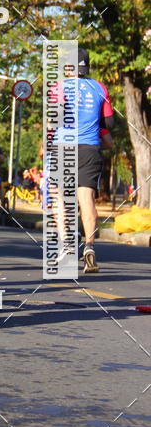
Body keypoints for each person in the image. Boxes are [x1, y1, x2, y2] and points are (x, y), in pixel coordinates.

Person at [73, 48, 114, 273]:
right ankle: (89, 246)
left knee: (62, 199)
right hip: (89, 148)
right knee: (86, 198)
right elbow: (110, 125)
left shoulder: (59, 87)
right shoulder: (99, 87)